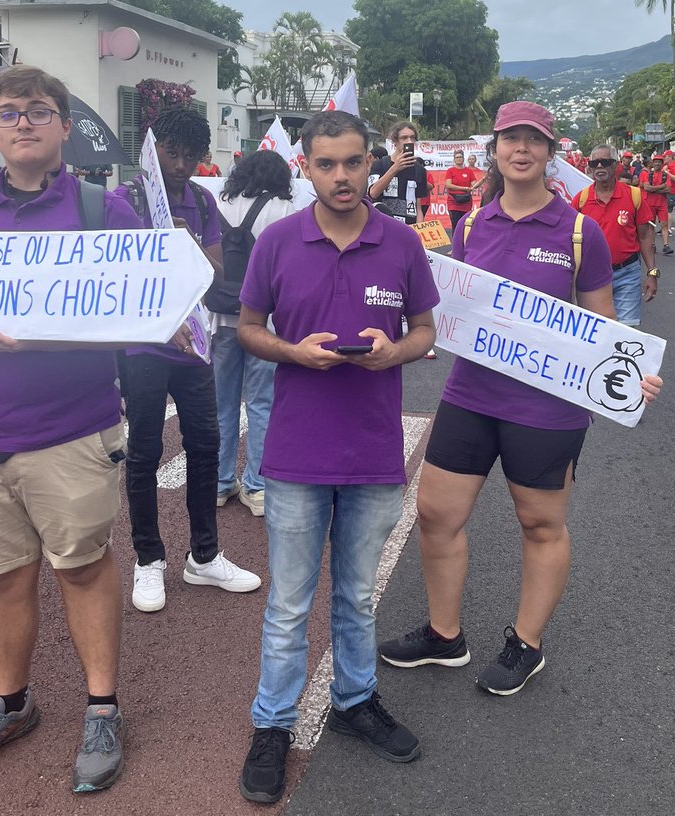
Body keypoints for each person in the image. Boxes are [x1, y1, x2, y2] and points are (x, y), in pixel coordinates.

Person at [378, 100, 662, 698]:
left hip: (547, 409)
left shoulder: (580, 232)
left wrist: (631, 376)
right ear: (497, 150)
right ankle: (444, 634)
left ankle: (526, 644)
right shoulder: (472, 225)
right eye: (511, 139)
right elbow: (452, 305)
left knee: (540, 523)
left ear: (550, 151)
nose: (521, 149)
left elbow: (605, 328)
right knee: (435, 513)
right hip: (471, 395)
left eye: (534, 139)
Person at [0, 65, 146, 791]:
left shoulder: (102, 210)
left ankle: (102, 706)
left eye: (39, 111)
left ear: (61, 126)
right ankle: (10, 702)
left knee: (81, 568)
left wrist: (46, 338)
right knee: (1, 579)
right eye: (10, 112)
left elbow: (138, 318)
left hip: (70, 431)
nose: (24, 122)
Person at [236, 110, 438, 805]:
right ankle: (272, 724)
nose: (343, 176)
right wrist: (292, 352)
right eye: (327, 164)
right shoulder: (278, 242)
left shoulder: (402, 243)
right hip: (295, 454)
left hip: (374, 452)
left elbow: (424, 332)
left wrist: (394, 353)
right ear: (307, 168)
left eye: (354, 162)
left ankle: (356, 702)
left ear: (368, 162)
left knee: (355, 596)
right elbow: (248, 329)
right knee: (289, 604)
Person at [115, 107, 260, 614]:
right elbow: (119, 272)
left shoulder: (201, 198)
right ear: (152, 152)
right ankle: (147, 558)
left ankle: (204, 554)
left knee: (205, 445)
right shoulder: (126, 197)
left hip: (194, 344)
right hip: (144, 346)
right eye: (171, 153)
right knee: (145, 452)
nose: (180, 164)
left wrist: (188, 240)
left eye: (190, 155)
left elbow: (218, 266)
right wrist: (156, 240)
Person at [211, 150, 295, 517]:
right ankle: (256, 486)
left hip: (223, 317)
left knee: (221, 403)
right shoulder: (285, 210)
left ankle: (218, 480)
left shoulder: (221, 202)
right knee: (262, 404)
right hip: (266, 322)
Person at [574, 146, 659, 325]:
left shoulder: (633, 196)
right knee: (595, 329)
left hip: (627, 273)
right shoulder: (581, 199)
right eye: (594, 163)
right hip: (592, 274)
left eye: (604, 162)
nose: (599, 167)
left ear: (616, 165)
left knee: (626, 332)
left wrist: (652, 273)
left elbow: (645, 237)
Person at [367, 122, 429, 224]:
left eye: (412, 137)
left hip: (408, 226)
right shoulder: (380, 164)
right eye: (404, 138)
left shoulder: (419, 169)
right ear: (395, 141)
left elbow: (418, 207)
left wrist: (419, 229)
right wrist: (395, 168)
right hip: (383, 224)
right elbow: (373, 193)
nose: (409, 141)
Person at [642, 153, 673, 255]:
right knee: (651, 226)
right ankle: (652, 244)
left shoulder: (665, 175)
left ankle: (666, 245)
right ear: (653, 163)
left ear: (662, 163)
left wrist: (653, 189)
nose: (657, 164)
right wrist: (661, 187)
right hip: (650, 204)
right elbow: (646, 188)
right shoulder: (648, 175)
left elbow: (668, 189)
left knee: (664, 224)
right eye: (656, 162)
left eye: (659, 162)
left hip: (662, 204)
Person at [444, 148, 476, 233]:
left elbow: (474, 185)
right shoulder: (450, 170)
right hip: (453, 201)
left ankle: (465, 244)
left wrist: (483, 180)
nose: (459, 159)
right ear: (454, 159)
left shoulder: (469, 171)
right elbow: (448, 185)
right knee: (456, 224)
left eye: (460, 157)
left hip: (466, 201)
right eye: (457, 157)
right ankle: (456, 244)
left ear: (463, 159)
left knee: (466, 224)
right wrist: (463, 188)